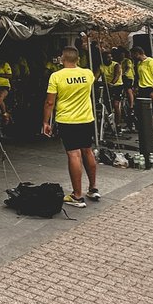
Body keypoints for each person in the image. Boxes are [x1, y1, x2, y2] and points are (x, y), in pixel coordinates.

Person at [43, 46, 99, 207]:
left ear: (62, 59)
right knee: (87, 150)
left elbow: (50, 102)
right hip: (87, 119)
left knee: (74, 155)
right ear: (78, 59)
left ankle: (77, 195)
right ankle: (93, 188)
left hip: (68, 120)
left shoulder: (56, 76)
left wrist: (46, 122)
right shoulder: (87, 74)